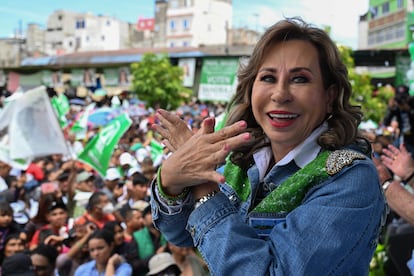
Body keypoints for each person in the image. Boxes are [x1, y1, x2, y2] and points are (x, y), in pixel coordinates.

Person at [150, 17, 386, 275]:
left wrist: (203, 186)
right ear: (251, 89)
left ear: (329, 97)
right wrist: (173, 177)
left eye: (300, 79)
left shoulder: (350, 178)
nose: (280, 94)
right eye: (268, 78)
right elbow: (182, 235)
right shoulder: (241, 158)